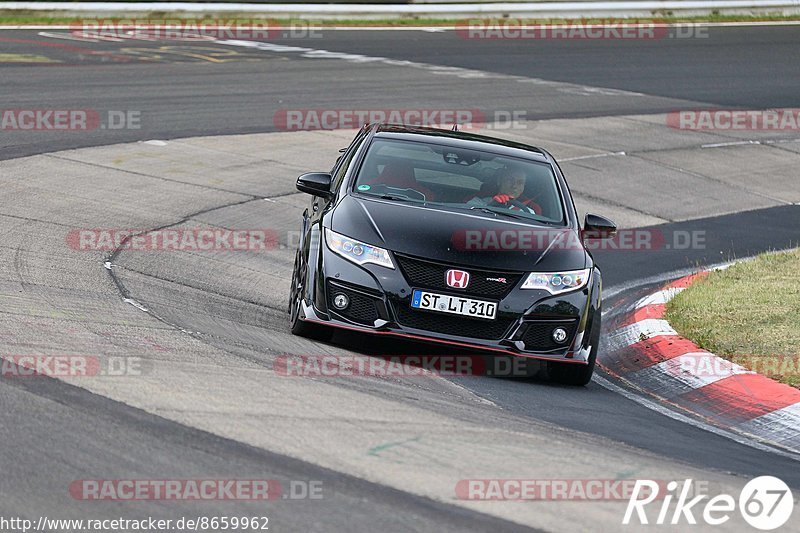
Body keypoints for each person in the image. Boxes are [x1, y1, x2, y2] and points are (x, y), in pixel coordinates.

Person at [467, 165, 542, 215]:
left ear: (523, 187)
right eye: (510, 180)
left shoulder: (529, 213)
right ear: (499, 181)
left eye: (520, 183)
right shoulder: (477, 203)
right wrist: (491, 207)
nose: (514, 186)